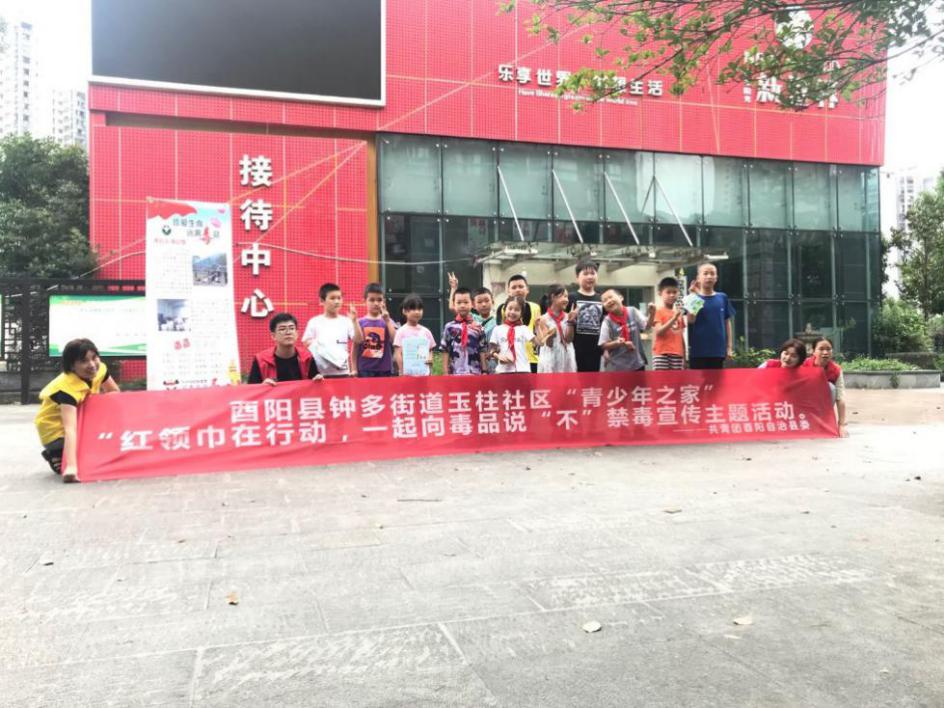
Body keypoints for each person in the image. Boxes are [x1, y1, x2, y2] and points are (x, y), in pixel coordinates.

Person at [34, 338, 120, 483]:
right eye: (84, 361)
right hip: (55, 432)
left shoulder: (100, 369)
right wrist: (71, 468)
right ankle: (56, 453)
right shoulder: (66, 389)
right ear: (72, 366)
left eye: (94, 357)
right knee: (91, 458)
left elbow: (114, 393)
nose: (92, 365)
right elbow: (70, 429)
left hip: (81, 423)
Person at [302, 283, 364, 378]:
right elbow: (306, 341)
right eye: (332, 298)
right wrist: (323, 350)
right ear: (322, 301)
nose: (337, 301)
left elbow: (358, 340)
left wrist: (355, 321)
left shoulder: (346, 321)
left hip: (342, 372)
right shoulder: (315, 321)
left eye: (339, 298)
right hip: (321, 373)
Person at [248, 313, 323, 384]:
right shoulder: (261, 360)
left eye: (291, 328)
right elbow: (251, 389)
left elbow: (314, 384)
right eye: (282, 329)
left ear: (297, 333)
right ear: (273, 336)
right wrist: (262, 386)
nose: (288, 332)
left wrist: (318, 381)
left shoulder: (307, 357)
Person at [687, 262, 735, 370]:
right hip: (698, 352)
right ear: (698, 278)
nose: (709, 276)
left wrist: (729, 347)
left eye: (712, 273)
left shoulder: (722, 297)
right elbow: (691, 320)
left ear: (716, 278)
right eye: (705, 273)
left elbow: (727, 323)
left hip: (718, 351)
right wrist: (694, 296)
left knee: (717, 380)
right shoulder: (693, 298)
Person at [495, 274, 542, 373]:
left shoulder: (536, 307)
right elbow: (499, 336)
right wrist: (499, 355)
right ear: (508, 291)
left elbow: (538, 336)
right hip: (509, 360)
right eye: (514, 287)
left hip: (532, 359)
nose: (518, 290)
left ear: (527, 289)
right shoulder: (503, 309)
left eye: (521, 286)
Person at [598, 288, 652, 372]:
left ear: (621, 297)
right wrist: (617, 343)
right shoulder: (607, 321)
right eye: (605, 300)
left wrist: (652, 314)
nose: (609, 301)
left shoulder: (632, 311)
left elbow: (647, 326)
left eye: (610, 297)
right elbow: (603, 345)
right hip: (618, 367)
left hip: (637, 363)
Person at [803, 337, 848, 437]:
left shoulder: (836, 370)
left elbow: (840, 398)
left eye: (828, 349)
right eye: (821, 349)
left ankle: (823, 421)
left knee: (831, 388)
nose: (825, 352)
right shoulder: (803, 365)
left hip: (821, 406)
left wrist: (841, 425)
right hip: (803, 404)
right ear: (813, 351)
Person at [567, 260, 604, 372]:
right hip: (575, 349)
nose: (590, 277)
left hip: (597, 350)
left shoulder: (602, 298)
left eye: (593, 273)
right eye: (585, 274)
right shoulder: (570, 298)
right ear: (577, 277)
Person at [441, 287, 488, 375]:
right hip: (455, 373)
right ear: (454, 304)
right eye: (459, 302)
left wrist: (484, 371)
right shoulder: (449, 327)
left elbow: (483, 350)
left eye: (466, 302)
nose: (462, 305)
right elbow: (445, 350)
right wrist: (445, 372)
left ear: (472, 304)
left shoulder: (479, 327)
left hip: (475, 373)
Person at [357, 282, 398, 378]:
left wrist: (387, 320)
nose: (376, 303)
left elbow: (395, 340)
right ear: (364, 301)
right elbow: (355, 347)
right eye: (371, 300)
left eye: (379, 300)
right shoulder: (360, 322)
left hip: (385, 369)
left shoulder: (388, 321)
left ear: (384, 302)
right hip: (365, 369)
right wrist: (354, 368)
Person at [536, 284, 577, 373]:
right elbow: (549, 344)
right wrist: (550, 335)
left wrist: (570, 322)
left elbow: (569, 339)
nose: (566, 300)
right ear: (553, 297)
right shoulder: (544, 319)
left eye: (567, 297)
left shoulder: (568, 316)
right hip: (550, 356)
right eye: (563, 296)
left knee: (567, 381)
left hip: (566, 355)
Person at [393, 294, 436, 376]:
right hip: (407, 375)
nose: (417, 312)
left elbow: (430, 351)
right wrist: (402, 371)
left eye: (419, 309)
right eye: (413, 308)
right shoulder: (401, 331)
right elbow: (398, 353)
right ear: (404, 311)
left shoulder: (426, 332)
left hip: (423, 375)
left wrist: (430, 362)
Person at [489, 296, 534, 374]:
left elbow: (538, 343)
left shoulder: (524, 329)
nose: (512, 312)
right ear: (505, 309)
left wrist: (539, 328)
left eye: (517, 310)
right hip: (503, 370)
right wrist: (499, 356)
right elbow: (491, 350)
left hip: (523, 369)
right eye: (510, 309)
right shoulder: (497, 329)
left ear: (521, 313)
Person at [650, 276, 687, 371]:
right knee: (661, 379)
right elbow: (659, 331)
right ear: (660, 293)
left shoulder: (678, 313)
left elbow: (681, 336)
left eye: (674, 292)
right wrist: (674, 318)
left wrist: (684, 355)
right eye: (668, 292)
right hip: (661, 353)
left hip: (677, 354)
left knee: (676, 380)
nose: (672, 295)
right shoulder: (658, 311)